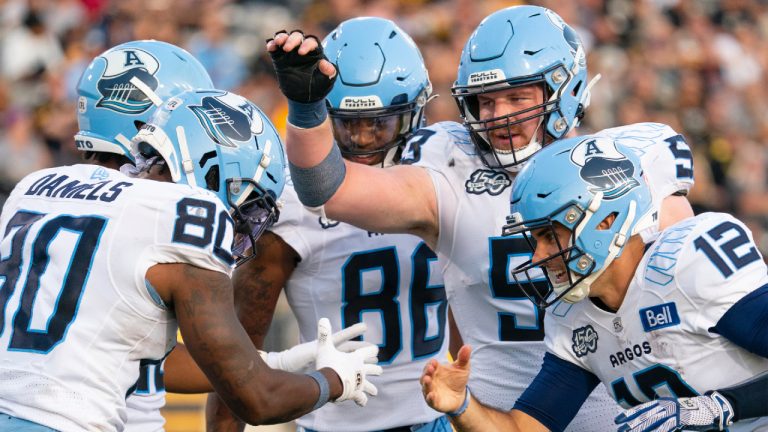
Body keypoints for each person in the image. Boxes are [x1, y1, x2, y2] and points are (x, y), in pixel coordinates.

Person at [266, 5, 695, 431]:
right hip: (497, 418)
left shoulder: (631, 161)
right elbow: (327, 190)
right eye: (484, 101)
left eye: (516, 97)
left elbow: (686, 301)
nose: (499, 116)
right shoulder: (453, 170)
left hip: (631, 410)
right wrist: (307, 110)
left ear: (564, 88)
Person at [0, 87, 382, 432]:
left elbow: (139, 355)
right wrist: (337, 381)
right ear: (211, 169)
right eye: (245, 203)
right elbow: (258, 401)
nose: (241, 222)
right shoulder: (188, 214)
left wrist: (276, 363)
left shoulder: (41, 185)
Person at [421, 135, 768, 431]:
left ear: (605, 222)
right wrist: (462, 406)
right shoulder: (572, 318)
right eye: (535, 239)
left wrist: (720, 407)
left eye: (549, 235)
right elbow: (526, 426)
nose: (539, 256)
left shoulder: (688, 265)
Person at [206, 17, 450, 432]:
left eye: (380, 122)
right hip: (336, 424)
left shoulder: (441, 175)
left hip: (437, 416)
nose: (363, 139)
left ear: (413, 113)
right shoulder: (289, 201)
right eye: (348, 122)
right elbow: (240, 349)